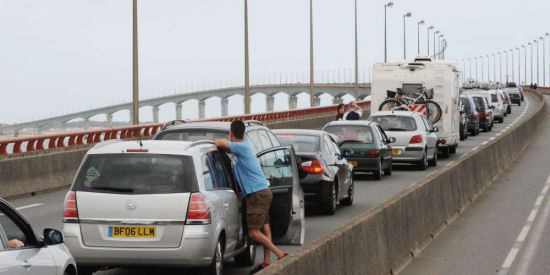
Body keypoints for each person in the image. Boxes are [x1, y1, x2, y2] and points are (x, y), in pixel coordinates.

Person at [214, 121, 287, 274]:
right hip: (263, 191)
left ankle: (280, 254)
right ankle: (266, 262)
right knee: (265, 228)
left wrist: (219, 143)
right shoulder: (240, 150)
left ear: (231, 133)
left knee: (254, 233)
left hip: (256, 194)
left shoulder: (242, 147)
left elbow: (219, 142)